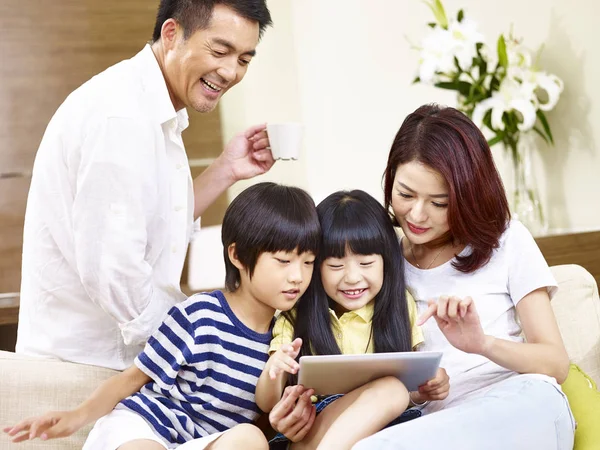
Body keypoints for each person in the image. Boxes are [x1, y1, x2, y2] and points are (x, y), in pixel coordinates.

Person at [17, 0, 275, 370]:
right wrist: (196, 347)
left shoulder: (152, 109)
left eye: (244, 60)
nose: (231, 71)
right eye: (220, 51)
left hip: (109, 363)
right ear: (171, 35)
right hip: (83, 366)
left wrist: (226, 169)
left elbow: (161, 222)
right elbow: (116, 271)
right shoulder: (121, 117)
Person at [4, 182, 321, 450]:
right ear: (237, 255)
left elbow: (260, 421)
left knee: (250, 439)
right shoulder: (199, 315)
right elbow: (131, 379)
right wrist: (76, 416)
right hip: (142, 431)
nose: (297, 276)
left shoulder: (286, 339)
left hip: (198, 443)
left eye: (308, 262)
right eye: (283, 261)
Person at [353, 104, 575, 450]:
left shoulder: (507, 240)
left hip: (524, 403)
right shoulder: (380, 264)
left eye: (439, 203)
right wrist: (416, 392)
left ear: (468, 195)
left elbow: (555, 363)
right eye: (405, 194)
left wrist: (481, 343)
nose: (417, 214)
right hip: (438, 424)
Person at [256, 190, 450, 450]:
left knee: (397, 393)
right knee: (392, 389)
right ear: (316, 267)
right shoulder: (296, 317)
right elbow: (267, 403)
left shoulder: (400, 306)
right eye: (336, 267)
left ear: (386, 262)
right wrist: (274, 370)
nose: (352, 278)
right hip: (313, 430)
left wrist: (426, 389)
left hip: (382, 430)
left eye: (366, 263)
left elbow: (409, 393)